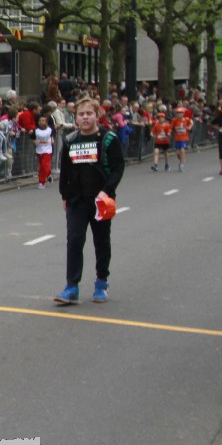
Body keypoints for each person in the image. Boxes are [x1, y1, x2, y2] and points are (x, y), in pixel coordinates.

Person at [54, 97, 125, 305]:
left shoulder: (108, 139)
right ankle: (71, 287)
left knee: (101, 241)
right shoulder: (70, 140)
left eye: (89, 114)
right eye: (81, 114)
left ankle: (101, 282)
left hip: (101, 201)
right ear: (75, 118)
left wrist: (106, 191)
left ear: (97, 115)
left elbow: (118, 168)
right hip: (77, 200)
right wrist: (65, 195)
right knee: (74, 241)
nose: (85, 118)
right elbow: (65, 171)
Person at [33, 113, 54, 188]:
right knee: (42, 165)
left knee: (44, 165)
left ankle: (41, 182)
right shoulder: (36, 131)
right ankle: (48, 174)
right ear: (38, 122)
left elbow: (52, 136)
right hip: (39, 149)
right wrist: (34, 141)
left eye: (44, 121)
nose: (42, 122)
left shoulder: (50, 130)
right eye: (41, 121)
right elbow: (32, 138)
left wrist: (52, 139)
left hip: (47, 149)